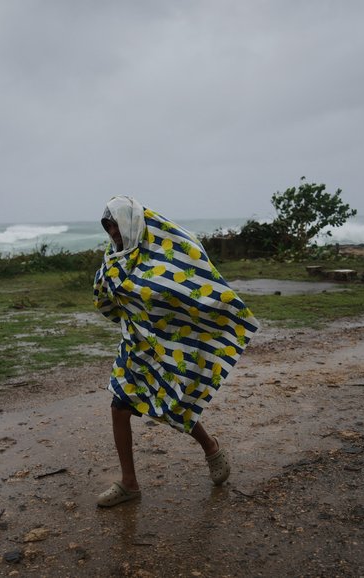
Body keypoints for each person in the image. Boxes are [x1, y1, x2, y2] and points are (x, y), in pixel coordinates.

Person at [93, 196, 260, 507]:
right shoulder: (114, 259)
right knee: (119, 407)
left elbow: (188, 285)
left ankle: (211, 448)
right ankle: (129, 483)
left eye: (116, 225)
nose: (113, 232)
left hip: (167, 345)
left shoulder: (165, 254)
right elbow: (106, 297)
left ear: (131, 222)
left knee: (174, 402)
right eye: (108, 227)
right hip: (134, 346)